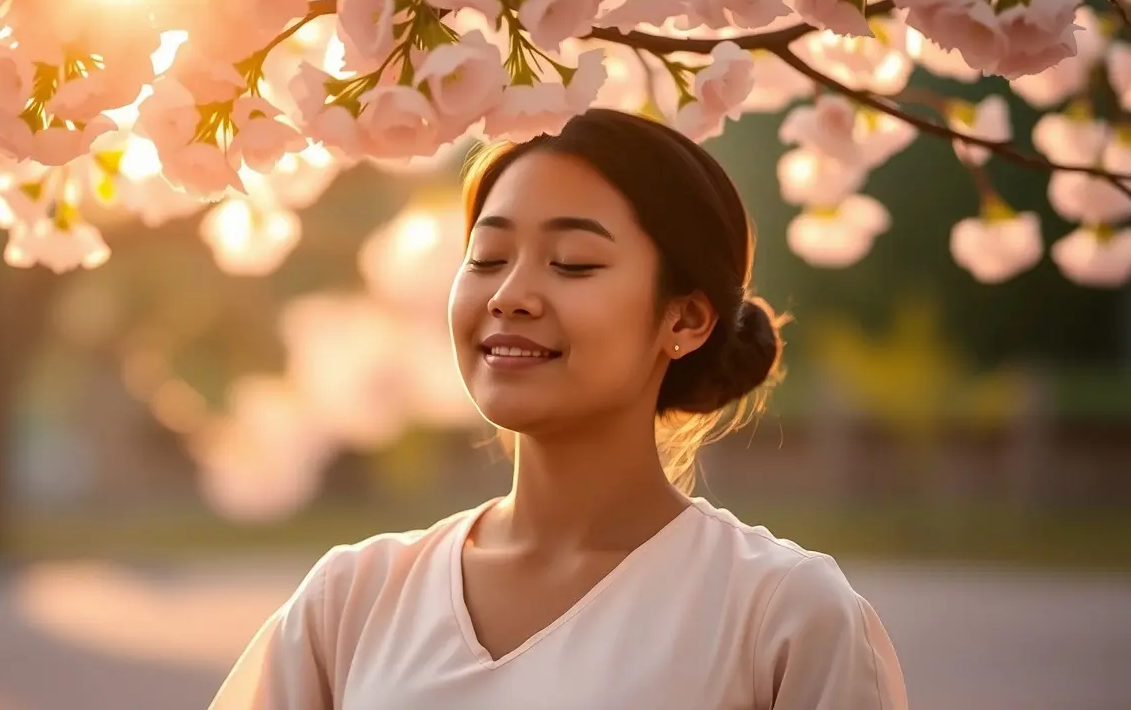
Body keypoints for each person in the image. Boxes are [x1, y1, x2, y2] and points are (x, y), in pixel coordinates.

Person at [209, 108, 908, 709]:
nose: (509, 295)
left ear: (687, 318)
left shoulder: (781, 613)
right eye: (486, 258)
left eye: (572, 263)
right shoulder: (353, 599)